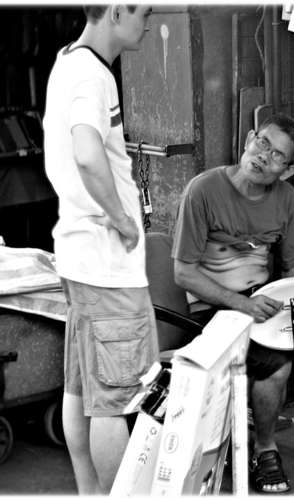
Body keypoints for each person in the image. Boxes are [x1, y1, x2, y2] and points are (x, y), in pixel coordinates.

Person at [43, 5, 159, 494]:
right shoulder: (93, 74)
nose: (148, 22)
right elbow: (88, 154)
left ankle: (90, 493)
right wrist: (122, 218)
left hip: (79, 254)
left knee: (83, 389)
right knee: (115, 400)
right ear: (115, 10)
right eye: (144, 12)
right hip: (105, 263)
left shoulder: (67, 59)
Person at [172, 113, 294, 493]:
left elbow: (292, 268)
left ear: (288, 170)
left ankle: (259, 443)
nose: (264, 156)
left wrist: (286, 310)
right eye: (262, 143)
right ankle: (261, 447)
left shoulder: (286, 199)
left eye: (277, 155)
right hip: (208, 308)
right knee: (272, 362)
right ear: (248, 139)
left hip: (260, 304)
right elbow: (183, 273)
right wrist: (241, 305)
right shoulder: (203, 190)